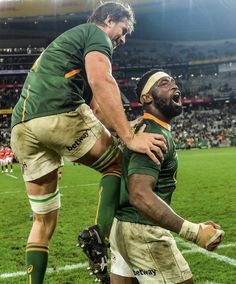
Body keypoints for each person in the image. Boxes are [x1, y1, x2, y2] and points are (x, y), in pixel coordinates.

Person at [10, 2, 166, 284]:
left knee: (43, 220)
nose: (124, 38)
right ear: (108, 19)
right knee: (118, 164)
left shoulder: (67, 47)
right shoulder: (95, 35)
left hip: (22, 127)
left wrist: (120, 127)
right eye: (123, 30)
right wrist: (129, 138)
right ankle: (98, 238)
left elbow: (96, 109)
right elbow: (101, 80)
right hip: (58, 111)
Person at [109, 70, 225, 284]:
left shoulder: (143, 129)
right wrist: (192, 231)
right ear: (146, 98)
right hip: (143, 231)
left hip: (123, 226)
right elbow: (140, 194)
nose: (174, 85)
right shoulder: (153, 135)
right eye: (164, 83)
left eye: (173, 81)